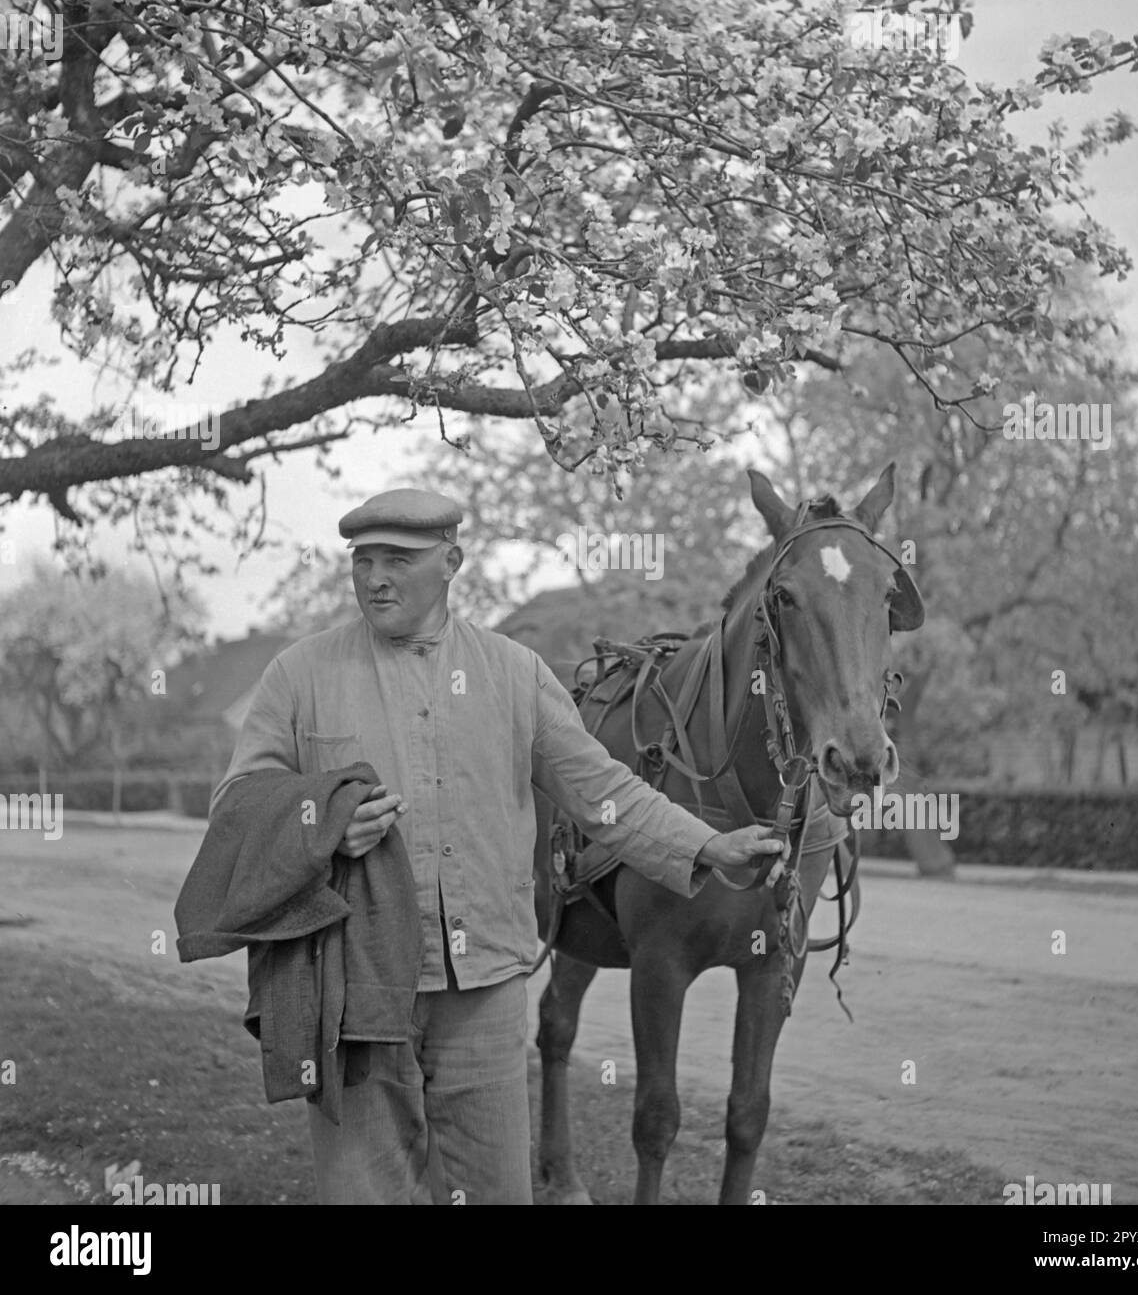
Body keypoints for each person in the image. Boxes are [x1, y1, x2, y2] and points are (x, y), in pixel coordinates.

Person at [212, 486, 785, 1205]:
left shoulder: (514, 674)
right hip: (355, 992)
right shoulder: (300, 675)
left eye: (398, 559)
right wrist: (318, 822)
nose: (375, 577)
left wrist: (707, 847)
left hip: (483, 991)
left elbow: (604, 794)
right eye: (363, 560)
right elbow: (237, 804)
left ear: (451, 562)